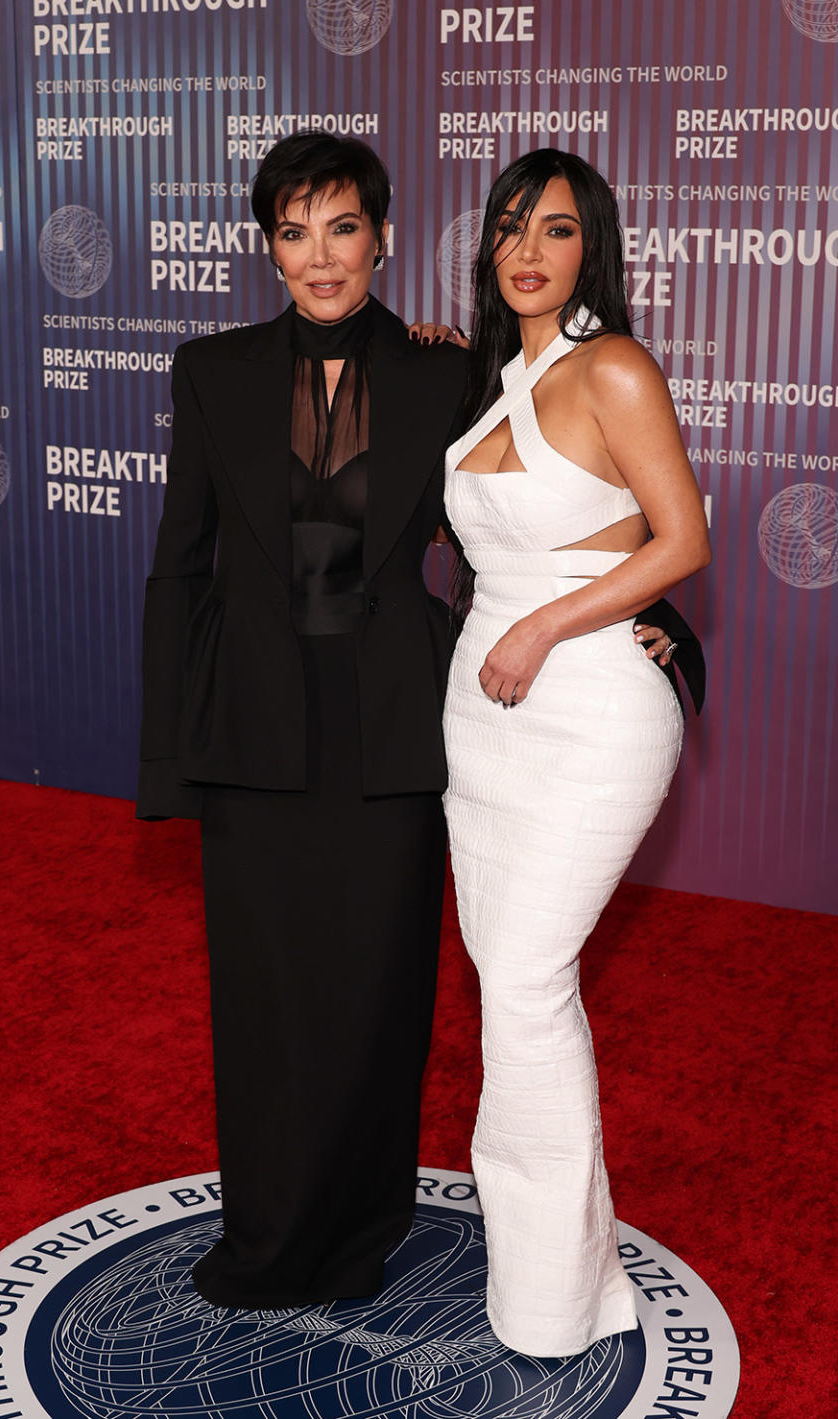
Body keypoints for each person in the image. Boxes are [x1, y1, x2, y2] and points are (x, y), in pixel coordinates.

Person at [137, 131, 691, 1311]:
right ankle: (271, 1234)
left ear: (384, 238)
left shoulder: (450, 376)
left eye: (343, 227)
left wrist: (663, 629)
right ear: (269, 247)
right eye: (294, 231)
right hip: (251, 732)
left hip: (400, 729)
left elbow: (574, 509)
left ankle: (363, 1228)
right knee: (263, 996)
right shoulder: (212, 370)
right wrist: (168, 755)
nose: (320, 256)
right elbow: (178, 573)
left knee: (382, 996)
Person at [441, 147, 711, 1358]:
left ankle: (558, 1303)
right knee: (508, 982)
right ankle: (557, 1274)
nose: (529, 250)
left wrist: (549, 622)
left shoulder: (615, 368)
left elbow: (682, 539)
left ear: (589, 247)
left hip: (591, 707)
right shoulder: (499, 381)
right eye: (511, 228)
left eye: (555, 229)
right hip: (482, 718)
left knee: (530, 982)